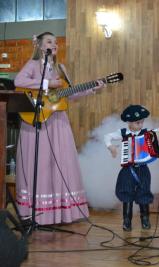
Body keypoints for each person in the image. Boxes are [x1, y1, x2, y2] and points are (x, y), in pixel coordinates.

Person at [14, 32, 104, 225]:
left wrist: (91, 89)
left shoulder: (60, 68)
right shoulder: (32, 65)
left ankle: (60, 213)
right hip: (36, 121)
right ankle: (36, 213)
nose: (54, 45)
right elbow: (18, 82)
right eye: (49, 41)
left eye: (56, 42)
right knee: (40, 165)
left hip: (58, 122)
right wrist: (47, 83)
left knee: (59, 164)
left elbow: (69, 94)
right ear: (39, 45)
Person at [104, 105, 159, 231]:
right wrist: (111, 147)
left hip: (143, 168)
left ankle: (145, 219)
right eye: (137, 123)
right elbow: (107, 137)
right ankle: (127, 221)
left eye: (142, 122)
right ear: (129, 122)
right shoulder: (123, 133)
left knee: (144, 192)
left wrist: (157, 133)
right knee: (126, 192)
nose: (140, 125)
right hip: (127, 169)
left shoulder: (146, 133)